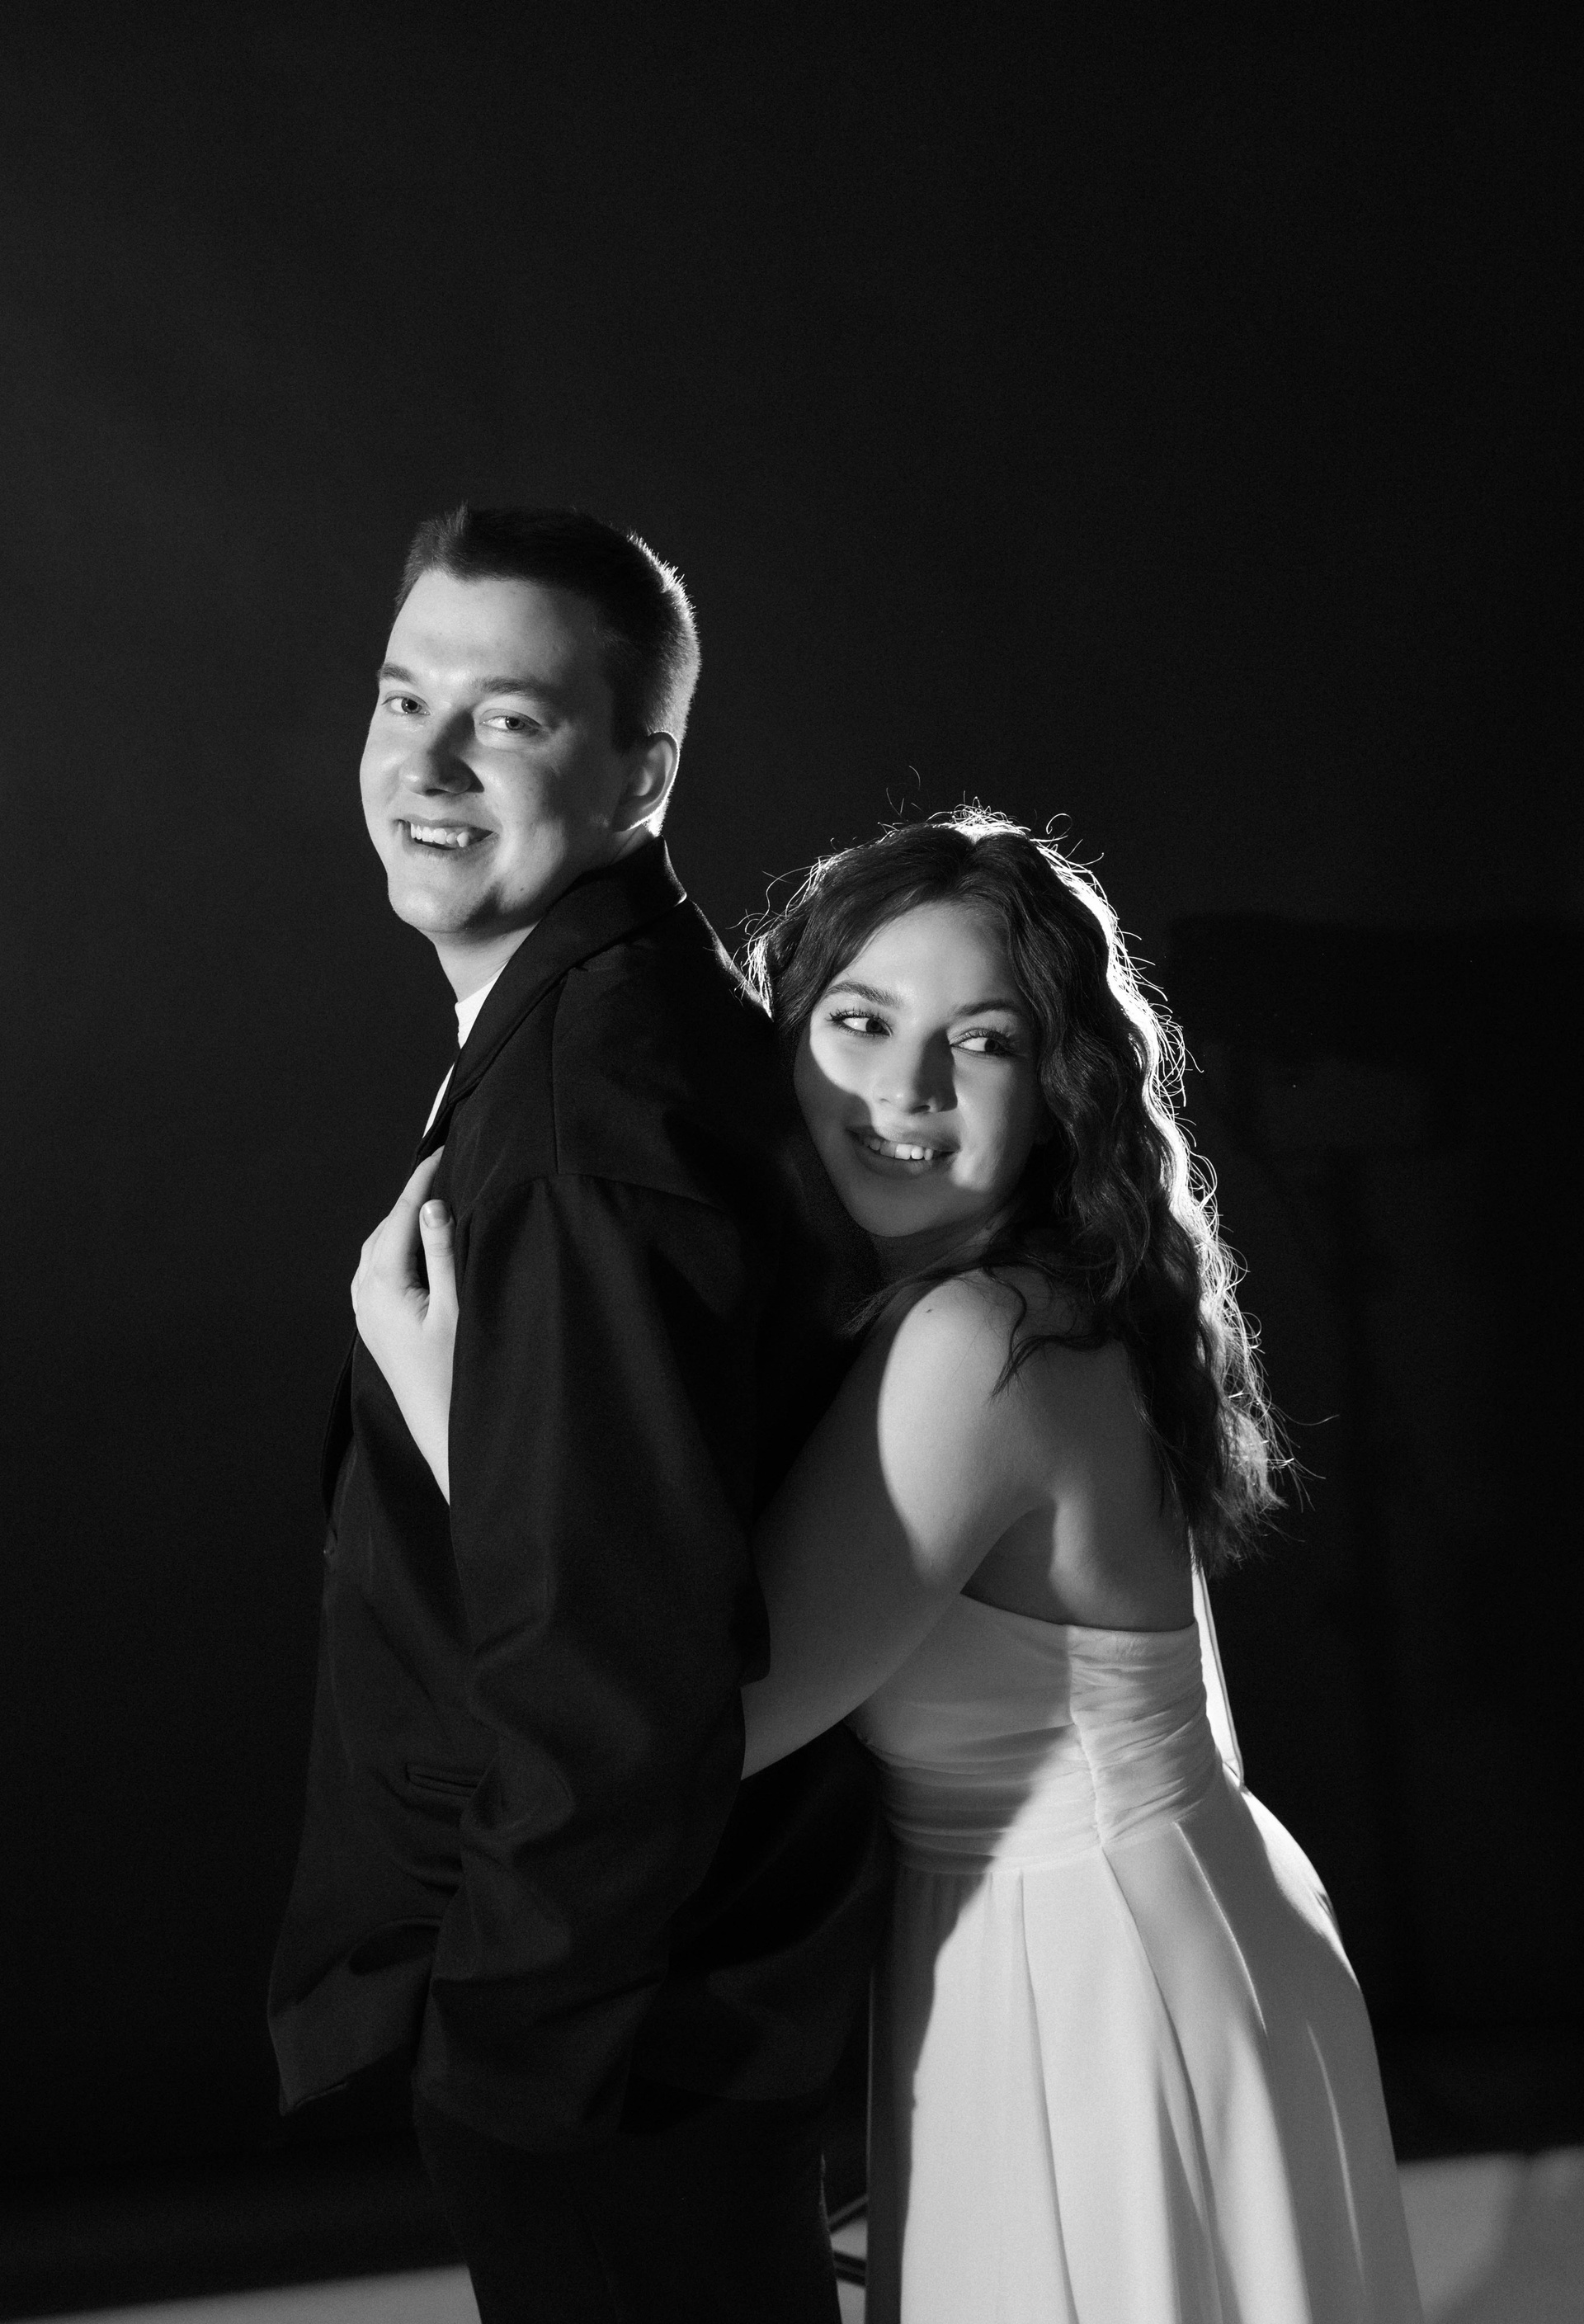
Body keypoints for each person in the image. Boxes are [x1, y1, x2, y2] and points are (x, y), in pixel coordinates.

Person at [361, 808, 1426, 2322]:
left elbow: (689, 1721)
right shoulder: (1008, 1299)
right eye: (859, 1021)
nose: (906, 1089)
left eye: (980, 1042)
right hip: (1124, 1919)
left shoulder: (978, 1339)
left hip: (1090, 1962)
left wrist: (456, 1417)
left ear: (1055, 1092)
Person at [268, 505, 890, 2324]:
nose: (427, 764)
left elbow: (617, 1660)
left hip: (613, 2044)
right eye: (405, 698)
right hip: (639, 2018)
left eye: (513, 718)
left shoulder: (591, 1123)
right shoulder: (595, 1031)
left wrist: (510, 2055)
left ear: (642, 775)